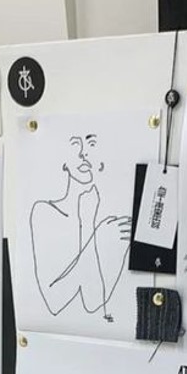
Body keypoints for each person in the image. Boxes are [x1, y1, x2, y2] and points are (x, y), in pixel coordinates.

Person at [29, 133, 131, 321]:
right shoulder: (44, 211)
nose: (83, 153)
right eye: (75, 144)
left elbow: (93, 302)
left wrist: (90, 224)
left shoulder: (111, 222)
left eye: (91, 144)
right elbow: (54, 302)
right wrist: (93, 233)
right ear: (63, 162)